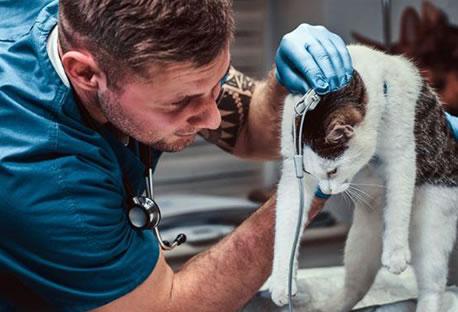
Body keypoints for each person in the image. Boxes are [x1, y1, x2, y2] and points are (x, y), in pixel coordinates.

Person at [0, 1, 456, 311]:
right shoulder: (39, 169)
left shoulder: (92, 25)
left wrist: (283, 83)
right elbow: (167, 307)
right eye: (180, 102)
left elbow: (249, 134)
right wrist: (312, 178)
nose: (211, 117)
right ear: (85, 73)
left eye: (214, 85)